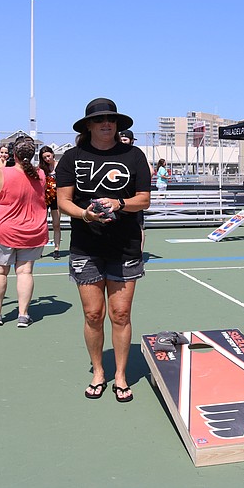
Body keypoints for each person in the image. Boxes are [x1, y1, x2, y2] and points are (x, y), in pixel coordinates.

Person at [56, 98, 151, 403]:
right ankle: (99, 371)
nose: (106, 124)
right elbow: (63, 202)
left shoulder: (134, 155)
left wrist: (118, 204)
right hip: (86, 245)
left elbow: (144, 200)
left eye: (111, 120)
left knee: (120, 314)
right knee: (93, 314)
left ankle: (120, 376)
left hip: (125, 246)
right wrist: (85, 214)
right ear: (88, 126)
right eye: (99, 121)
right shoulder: (72, 157)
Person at [0, 137, 48, 327]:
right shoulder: (40, 174)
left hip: (4, 229)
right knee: (25, 272)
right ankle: (23, 315)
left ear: (13, 155)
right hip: (32, 230)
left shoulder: (4, 172)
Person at [119, 130, 152, 251]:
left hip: (134, 198)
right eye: (121, 139)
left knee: (138, 226)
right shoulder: (117, 153)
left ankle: (139, 252)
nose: (123, 142)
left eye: (125, 140)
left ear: (131, 141)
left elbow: (151, 171)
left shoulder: (136, 154)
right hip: (120, 196)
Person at [38, 146, 62, 259]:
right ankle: (40, 247)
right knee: (42, 224)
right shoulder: (41, 168)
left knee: (56, 224)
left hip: (57, 198)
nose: (47, 159)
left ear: (53, 154)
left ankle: (56, 249)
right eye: (44, 157)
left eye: (48, 156)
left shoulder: (60, 166)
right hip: (44, 198)